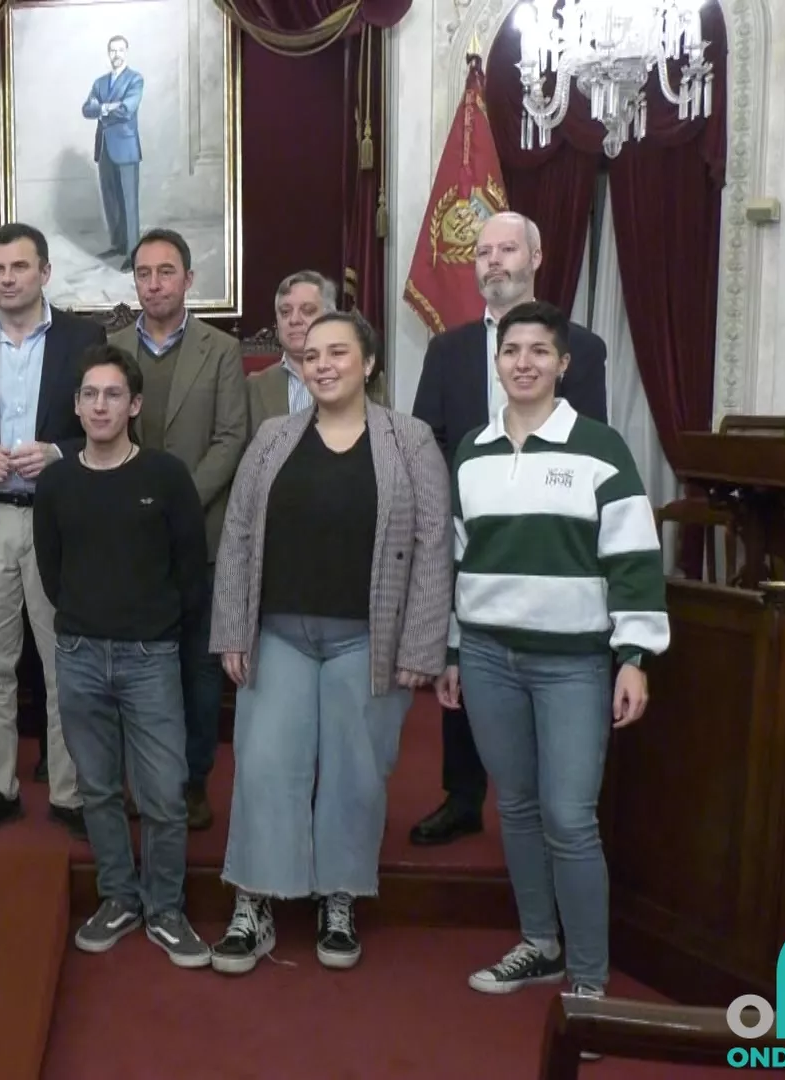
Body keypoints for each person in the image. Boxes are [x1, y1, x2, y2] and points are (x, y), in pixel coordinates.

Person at [435, 300, 666, 1003]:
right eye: (512, 352)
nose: (524, 363)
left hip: (572, 664)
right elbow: (455, 557)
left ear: (563, 365)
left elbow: (633, 556)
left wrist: (634, 656)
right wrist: (451, 650)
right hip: (485, 658)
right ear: (497, 363)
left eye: (539, 351)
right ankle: (539, 943)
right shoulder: (471, 451)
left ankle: (590, 983)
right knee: (520, 807)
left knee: (570, 817)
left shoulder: (600, 448)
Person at [208, 312, 452, 975]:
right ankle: (253, 902)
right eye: (312, 354)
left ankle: (338, 898)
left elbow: (434, 545)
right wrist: (231, 626)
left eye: (338, 352)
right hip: (279, 632)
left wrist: (422, 647)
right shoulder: (271, 438)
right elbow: (237, 536)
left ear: (368, 363)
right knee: (262, 767)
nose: (322, 364)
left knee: (355, 774)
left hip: (368, 641)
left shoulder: (410, 440)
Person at [408, 211, 609, 847]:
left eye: (506, 250)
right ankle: (462, 795)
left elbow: (593, 441)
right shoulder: (447, 349)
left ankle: (552, 798)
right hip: (469, 532)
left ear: (537, 257)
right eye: (484, 251)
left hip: (552, 536)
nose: (493, 261)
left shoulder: (585, 347)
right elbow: (425, 440)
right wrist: (462, 499)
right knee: (467, 657)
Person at [34, 344, 210, 969]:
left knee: (164, 793)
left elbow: (191, 572)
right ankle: (118, 897)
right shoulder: (54, 482)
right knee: (99, 790)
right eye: (90, 395)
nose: (100, 405)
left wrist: (152, 626)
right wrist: (85, 619)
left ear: (134, 405)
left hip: (150, 655)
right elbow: (51, 571)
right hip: (79, 652)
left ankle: (165, 908)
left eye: (113, 394)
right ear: (76, 406)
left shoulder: (165, 477)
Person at [0, 223, 105, 840]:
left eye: (19, 268)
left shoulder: (85, 338)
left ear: (45, 273)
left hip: (60, 523)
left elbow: (111, 426)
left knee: (65, 666)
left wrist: (58, 452)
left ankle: (70, 793)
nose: (7, 279)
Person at [108, 227, 246, 831]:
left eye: (167, 272)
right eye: (144, 273)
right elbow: (97, 428)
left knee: (195, 667)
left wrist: (173, 502)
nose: (155, 283)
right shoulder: (110, 348)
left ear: (189, 280)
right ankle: (137, 780)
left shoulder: (221, 350)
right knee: (134, 667)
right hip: (125, 543)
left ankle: (191, 782)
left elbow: (230, 439)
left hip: (198, 538)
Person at [246, 271, 336, 431]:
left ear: (329, 318)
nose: (294, 320)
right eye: (285, 312)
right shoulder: (255, 387)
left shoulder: (355, 378)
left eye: (307, 310)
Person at [82, 35, 143, 268]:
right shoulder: (99, 82)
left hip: (126, 147)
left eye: (120, 50)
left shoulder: (135, 79)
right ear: (108, 54)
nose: (116, 55)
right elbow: (87, 109)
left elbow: (128, 109)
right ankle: (118, 244)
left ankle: (132, 252)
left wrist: (101, 108)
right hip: (104, 146)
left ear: (126, 52)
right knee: (111, 199)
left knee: (128, 200)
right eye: (112, 51)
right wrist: (108, 107)